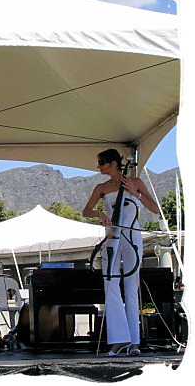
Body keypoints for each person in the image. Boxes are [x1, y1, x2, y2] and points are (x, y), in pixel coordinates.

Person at [82, 149, 158, 357]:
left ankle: (134, 342)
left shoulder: (135, 182)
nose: (99, 167)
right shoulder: (102, 188)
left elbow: (155, 208)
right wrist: (99, 213)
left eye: (102, 163)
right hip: (112, 237)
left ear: (114, 163)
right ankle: (118, 341)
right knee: (111, 285)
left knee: (131, 287)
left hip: (132, 238)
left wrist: (136, 193)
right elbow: (85, 211)